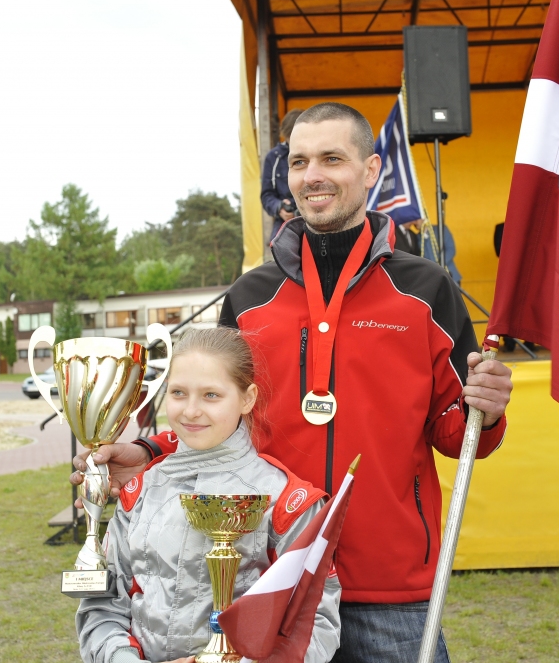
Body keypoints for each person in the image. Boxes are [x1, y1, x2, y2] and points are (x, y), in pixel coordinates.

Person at [74, 102, 513, 663]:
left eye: (332, 158)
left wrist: (488, 410)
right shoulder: (250, 297)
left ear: (372, 170)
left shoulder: (426, 290)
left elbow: (457, 435)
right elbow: (218, 411)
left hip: (390, 588)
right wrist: (146, 450)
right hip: (266, 574)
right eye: (299, 161)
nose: (313, 176)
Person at [76, 327, 340, 663]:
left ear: (247, 398)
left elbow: (314, 621)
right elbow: (103, 606)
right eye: (179, 393)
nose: (190, 411)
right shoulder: (139, 492)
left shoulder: (286, 500)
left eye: (211, 395)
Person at [261, 108, 304, 243]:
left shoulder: (320, 153)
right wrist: (279, 207)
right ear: (286, 135)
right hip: (284, 225)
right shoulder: (273, 157)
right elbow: (266, 195)